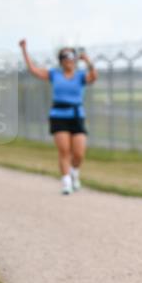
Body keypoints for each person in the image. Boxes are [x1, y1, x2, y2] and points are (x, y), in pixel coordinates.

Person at [19, 40, 98, 195]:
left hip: (76, 116)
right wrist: (24, 50)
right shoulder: (54, 74)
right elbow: (34, 70)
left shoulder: (81, 76)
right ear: (61, 60)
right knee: (64, 151)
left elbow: (94, 77)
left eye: (71, 57)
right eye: (65, 57)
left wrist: (88, 61)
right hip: (58, 116)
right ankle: (66, 182)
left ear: (75, 60)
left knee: (79, 153)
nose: (68, 60)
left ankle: (75, 172)